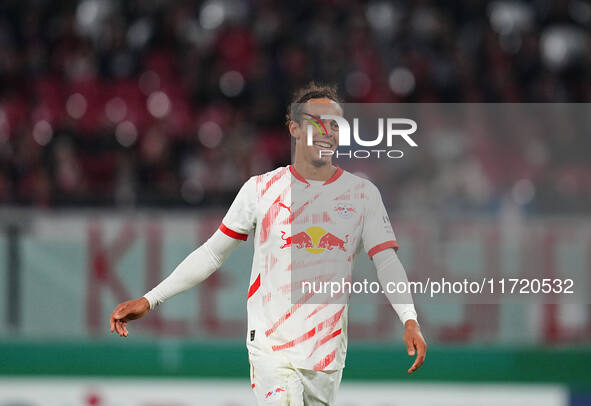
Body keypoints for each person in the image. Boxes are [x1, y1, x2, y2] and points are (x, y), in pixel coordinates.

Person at [110, 82, 427, 406]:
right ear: (294, 128)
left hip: (327, 354)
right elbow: (212, 253)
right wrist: (151, 300)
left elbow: (386, 261)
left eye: (334, 123)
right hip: (271, 346)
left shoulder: (362, 195)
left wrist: (409, 318)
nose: (326, 130)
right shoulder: (261, 190)